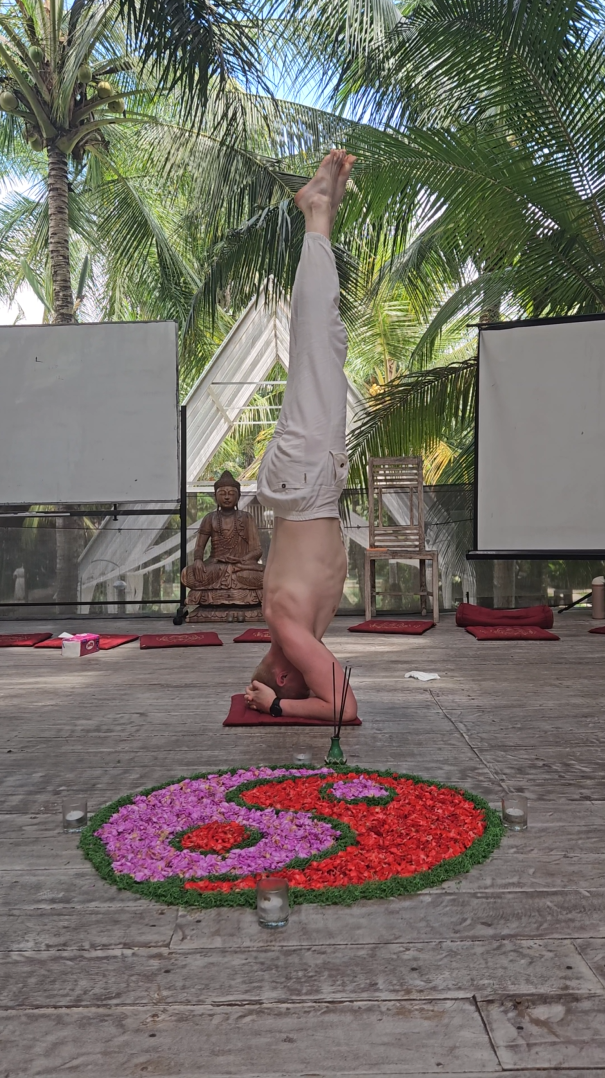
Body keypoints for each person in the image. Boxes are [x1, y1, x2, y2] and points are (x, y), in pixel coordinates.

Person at [244, 149, 358, 723]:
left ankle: (316, 215)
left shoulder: (288, 625)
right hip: (310, 485)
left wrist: (277, 708)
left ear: (288, 677)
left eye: (289, 676)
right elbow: (330, 694)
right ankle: (321, 217)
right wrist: (279, 694)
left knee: (316, 340)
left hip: (305, 482)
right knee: (328, 343)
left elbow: (343, 708)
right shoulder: (301, 628)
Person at [181, 471, 264, 607]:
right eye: (222, 494)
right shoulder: (210, 518)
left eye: (231, 494)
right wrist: (198, 560)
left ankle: (214, 593)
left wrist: (241, 560)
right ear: (215, 497)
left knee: (268, 575)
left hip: (241, 567)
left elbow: (257, 550)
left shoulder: (246, 517)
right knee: (187, 574)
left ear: (238, 496)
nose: (226, 497)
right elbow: (199, 546)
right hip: (216, 566)